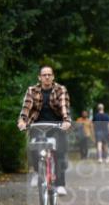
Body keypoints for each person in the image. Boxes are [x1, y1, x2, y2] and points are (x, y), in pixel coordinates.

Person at [17, 65, 71, 194]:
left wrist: (66, 121)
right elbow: (26, 108)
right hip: (38, 125)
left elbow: (64, 107)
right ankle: (37, 172)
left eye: (49, 74)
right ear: (39, 77)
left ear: (53, 77)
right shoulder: (32, 90)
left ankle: (60, 185)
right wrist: (22, 121)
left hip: (56, 125)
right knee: (33, 147)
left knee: (59, 152)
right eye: (44, 75)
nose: (47, 77)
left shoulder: (60, 90)